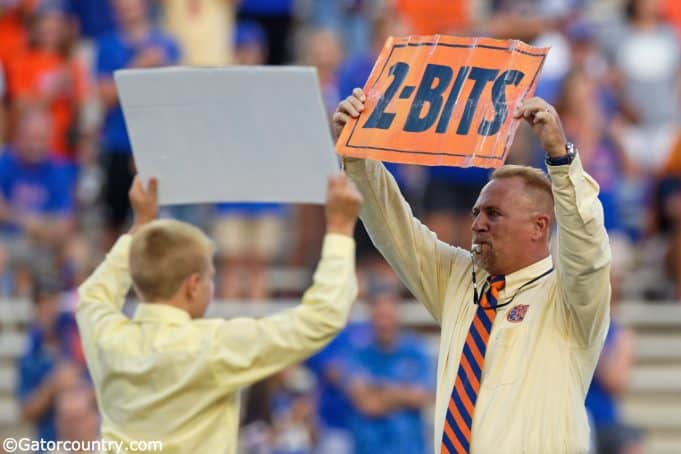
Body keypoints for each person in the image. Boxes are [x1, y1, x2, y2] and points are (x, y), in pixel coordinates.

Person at [334, 89, 612, 453]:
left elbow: (587, 252)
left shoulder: (570, 301)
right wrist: (358, 154)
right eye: (476, 213)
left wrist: (561, 161)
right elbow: (395, 230)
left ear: (539, 227)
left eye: (493, 214)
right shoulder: (459, 283)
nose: (478, 224)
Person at [76, 173, 363, 452]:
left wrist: (140, 227)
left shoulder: (107, 337)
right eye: (210, 278)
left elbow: (92, 295)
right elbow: (322, 317)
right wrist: (339, 227)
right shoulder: (212, 346)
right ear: (193, 285)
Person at [346, 285, 434, 454]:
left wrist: (380, 389)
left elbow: (423, 397)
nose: (384, 322)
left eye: (388, 315)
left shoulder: (416, 350)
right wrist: (404, 393)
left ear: (397, 314)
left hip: (410, 448)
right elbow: (367, 404)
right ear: (371, 314)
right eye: (379, 315)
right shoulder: (358, 352)